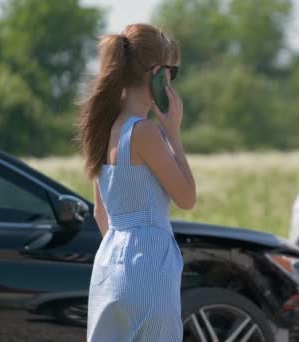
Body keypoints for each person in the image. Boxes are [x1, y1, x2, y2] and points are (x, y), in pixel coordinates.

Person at [77, 23, 196, 341]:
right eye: (172, 72)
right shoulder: (144, 133)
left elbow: (101, 215)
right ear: (158, 72)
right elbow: (186, 197)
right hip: (149, 263)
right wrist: (173, 134)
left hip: (108, 267)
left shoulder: (103, 129)